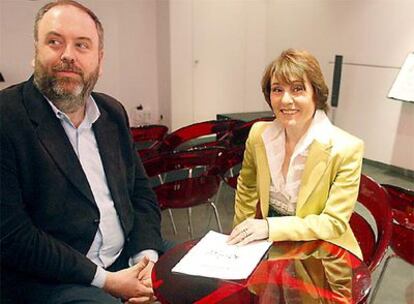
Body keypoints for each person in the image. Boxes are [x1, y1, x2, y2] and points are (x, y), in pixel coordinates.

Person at [0, 1, 165, 303]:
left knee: (204, 284)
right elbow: (13, 236)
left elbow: (141, 194)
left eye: (82, 45)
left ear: (99, 60)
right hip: (49, 281)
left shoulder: (112, 112)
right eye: (54, 42)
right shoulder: (6, 118)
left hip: (127, 259)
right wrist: (107, 281)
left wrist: (147, 260)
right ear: (35, 51)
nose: (68, 55)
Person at [227, 49, 364, 260]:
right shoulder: (258, 135)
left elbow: (333, 222)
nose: (286, 100)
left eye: (297, 89)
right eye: (277, 89)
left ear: (315, 94)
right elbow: (247, 187)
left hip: (320, 251)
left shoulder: (346, 148)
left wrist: (269, 227)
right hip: (267, 246)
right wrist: (239, 239)